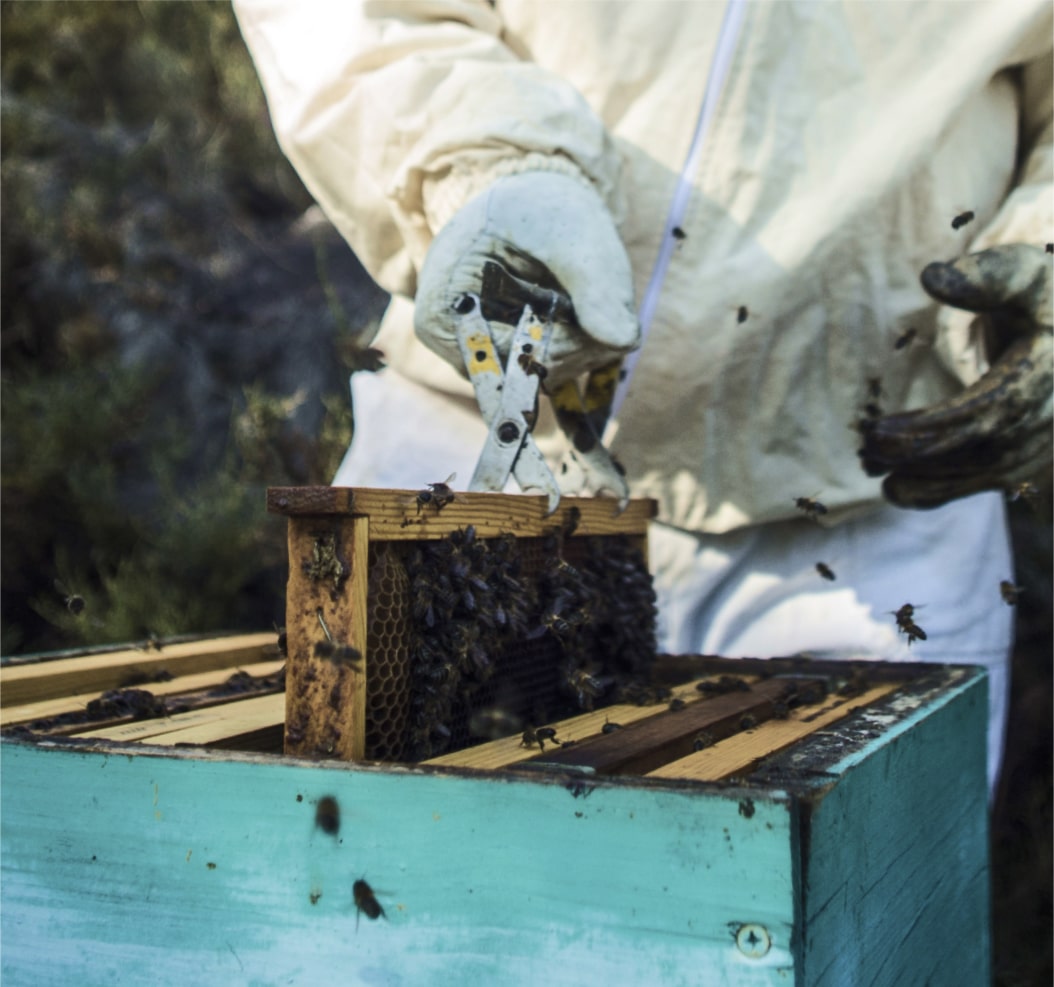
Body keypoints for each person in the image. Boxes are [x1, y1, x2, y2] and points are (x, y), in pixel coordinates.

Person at [233, 0, 1053, 787]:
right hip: (461, 442)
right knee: (362, 834)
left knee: (856, 872)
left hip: (867, 508)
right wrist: (482, 172)